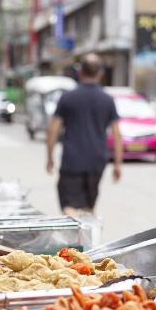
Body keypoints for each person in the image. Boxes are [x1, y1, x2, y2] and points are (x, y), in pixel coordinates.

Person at [45, 54, 122, 215]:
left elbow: (53, 129)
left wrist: (50, 157)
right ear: (100, 73)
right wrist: (117, 164)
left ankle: (75, 238)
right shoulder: (107, 100)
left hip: (72, 161)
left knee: (69, 207)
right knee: (89, 207)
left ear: (80, 72)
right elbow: (116, 134)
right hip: (97, 161)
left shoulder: (67, 98)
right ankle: (87, 237)